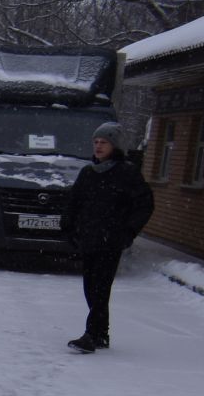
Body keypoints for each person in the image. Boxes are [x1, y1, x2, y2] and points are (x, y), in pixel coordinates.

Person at [60, 121, 155, 353]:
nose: (99, 146)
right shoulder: (88, 173)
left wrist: (128, 232)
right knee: (91, 287)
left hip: (110, 240)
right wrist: (69, 226)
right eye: (96, 142)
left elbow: (145, 205)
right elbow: (74, 203)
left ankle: (91, 335)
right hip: (89, 239)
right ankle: (102, 334)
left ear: (115, 146)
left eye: (104, 142)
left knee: (100, 288)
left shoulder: (127, 173)